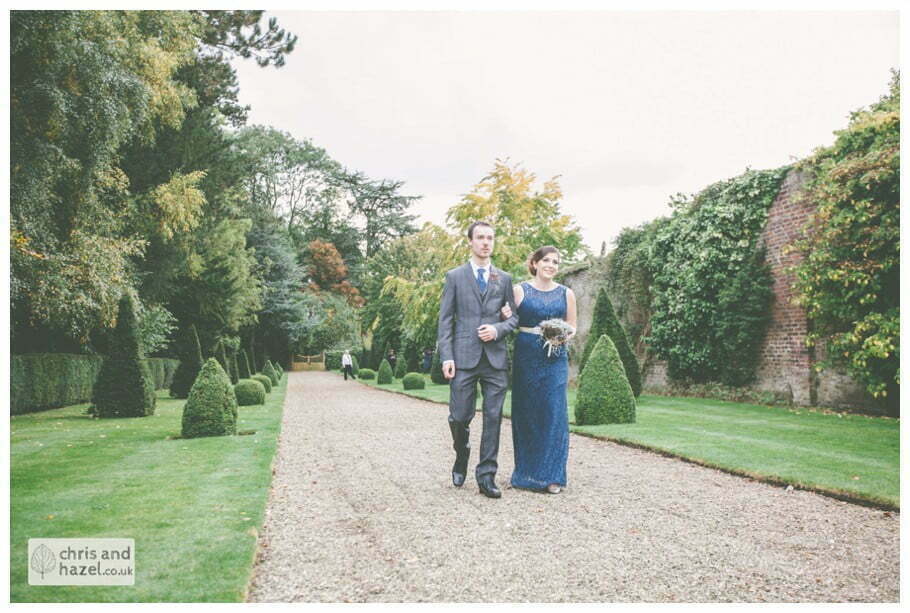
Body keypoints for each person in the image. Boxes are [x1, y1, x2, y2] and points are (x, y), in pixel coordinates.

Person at [437, 221, 519, 498]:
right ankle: (461, 453)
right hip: (463, 358)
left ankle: (486, 475)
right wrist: (446, 356)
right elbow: (446, 321)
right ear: (470, 242)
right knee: (460, 416)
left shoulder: (504, 279)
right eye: (481, 238)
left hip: (495, 360)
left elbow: (515, 318)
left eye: (490, 238)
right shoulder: (455, 277)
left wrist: (498, 329)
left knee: (494, 417)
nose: (486, 242)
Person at [500, 246, 577, 494]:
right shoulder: (520, 291)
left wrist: (561, 334)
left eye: (555, 261)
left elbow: (573, 326)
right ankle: (526, 473)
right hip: (527, 355)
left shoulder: (567, 294)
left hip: (555, 356)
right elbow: (508, 321)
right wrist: (503, 314)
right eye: (546, 260)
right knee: (526, 413)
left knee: (554, 412)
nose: (551, 265)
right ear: (535, 263)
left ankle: (553, 476)